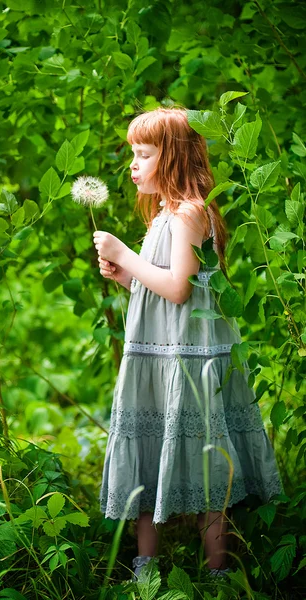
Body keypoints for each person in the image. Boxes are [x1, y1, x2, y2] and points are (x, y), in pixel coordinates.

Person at [93, 107, 283, 579]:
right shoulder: (164, 216)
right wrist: (126, 277)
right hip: (157, 356)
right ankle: (146, 569)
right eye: (133, 154)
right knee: (147, 447)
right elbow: (163, 291)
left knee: (204, 458)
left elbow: (179, 288)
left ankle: (219, 573)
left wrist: (123, 254)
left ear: (173, 159)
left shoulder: (189, 214)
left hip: (186, 361)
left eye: (143, 154)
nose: (132, 164)